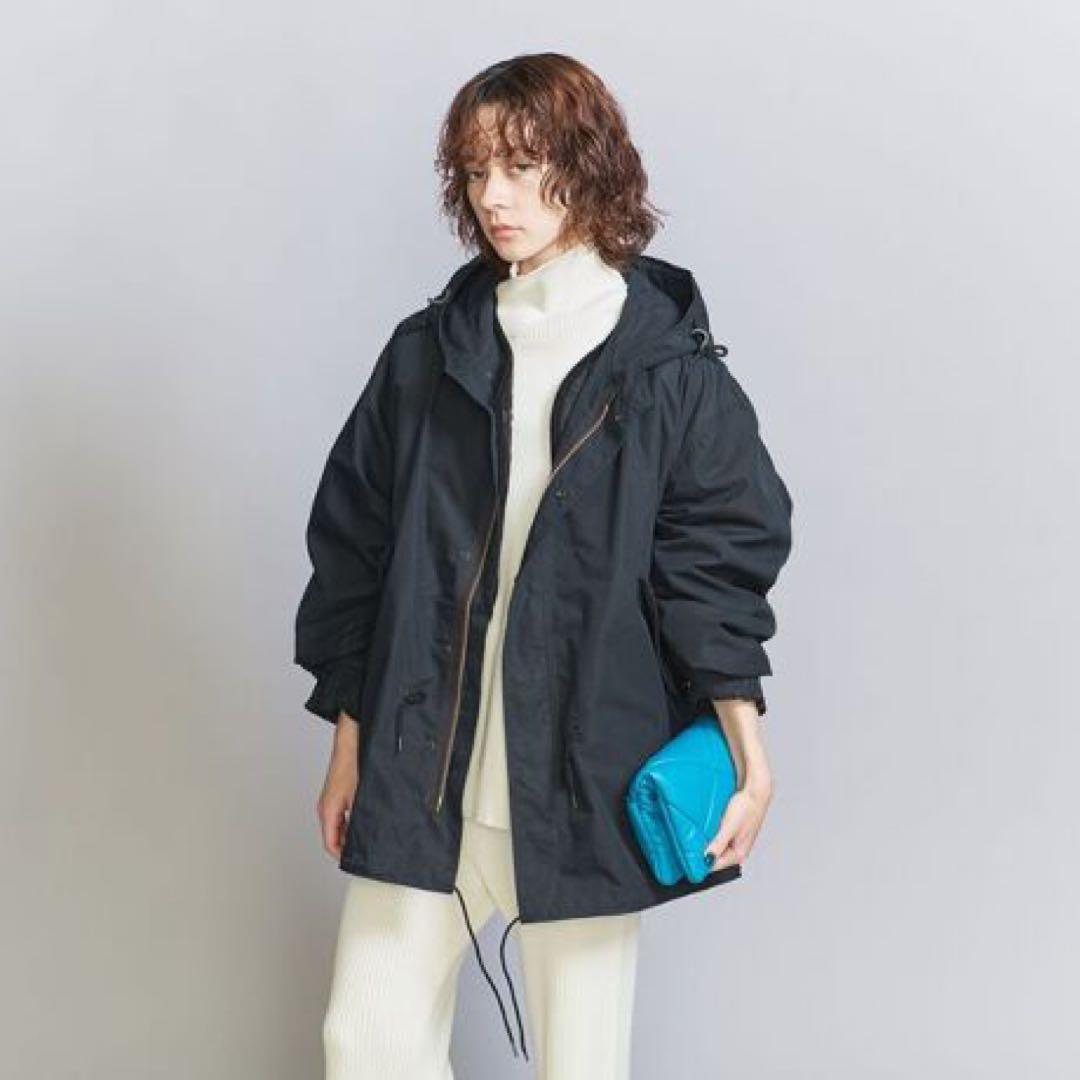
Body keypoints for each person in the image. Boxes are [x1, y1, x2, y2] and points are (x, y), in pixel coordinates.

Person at [294, 52, 794, 1080]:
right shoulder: (426, 355)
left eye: (522, 167)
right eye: (477, 171)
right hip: (425, 764)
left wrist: (749, 746)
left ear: (588, 167)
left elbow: (717, 557)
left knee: (581, 1062)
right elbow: (358, 554)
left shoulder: (667, 369)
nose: (495, 198)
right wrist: (350, 742)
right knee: (366, 1039)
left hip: (581, 770)